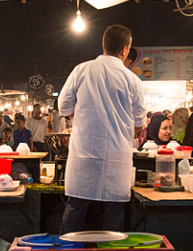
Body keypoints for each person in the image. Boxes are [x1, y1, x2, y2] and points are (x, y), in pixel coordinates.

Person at [58, 24, 146, 233]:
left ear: (103, 45)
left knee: (75, 211)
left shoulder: (82, 70)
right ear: (125, 50)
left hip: (84, 159)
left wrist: (78, 117)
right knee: (113, 218)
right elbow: (139, 123)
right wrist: (126, 133)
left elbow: (63, 106)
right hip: (117, 161)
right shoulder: (132, 80)